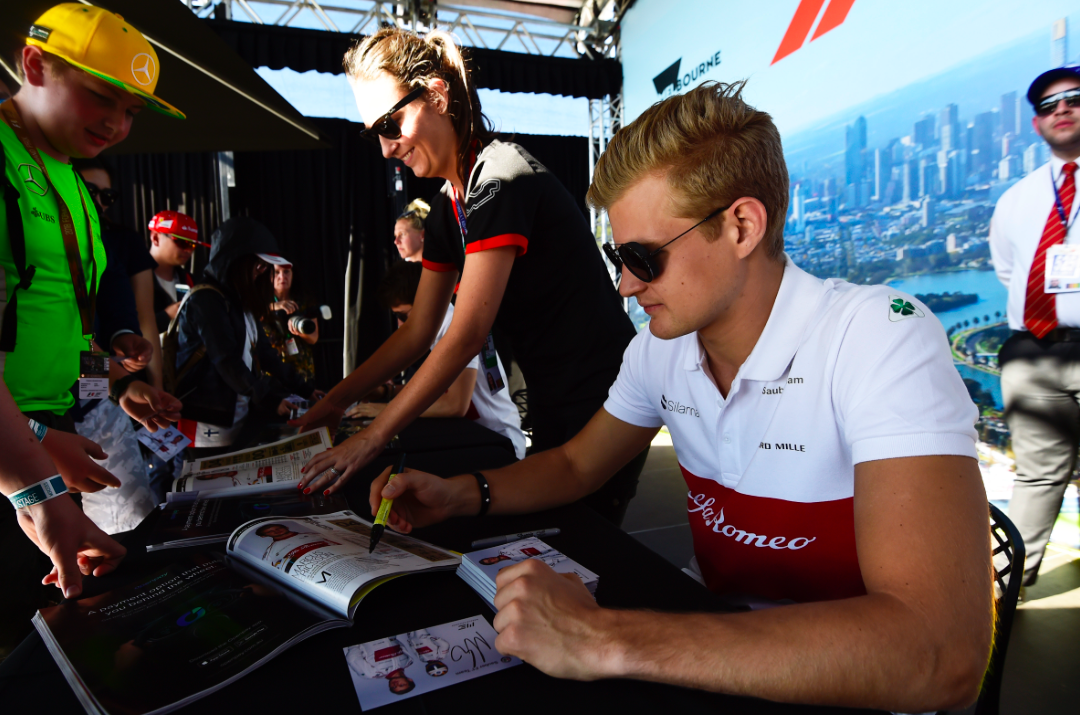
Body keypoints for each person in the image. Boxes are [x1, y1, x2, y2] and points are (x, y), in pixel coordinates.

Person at [362, 82, 993, 713]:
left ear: (741, 225)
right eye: (617, 256)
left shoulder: (880, 336)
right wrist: (460, 494)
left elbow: (940, 653)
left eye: (643, 257)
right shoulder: (661, 350)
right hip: (716, 638)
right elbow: (579, 464)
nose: (627, 286)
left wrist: (605, 637)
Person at [297, 29, 641, 524]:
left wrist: (372, 439)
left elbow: (465, 336)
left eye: (391, 124)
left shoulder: (500, 177)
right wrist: (335, 403)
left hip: (601, 397)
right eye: (374, 132)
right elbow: (419, 330)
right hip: (547, 401)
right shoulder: (445, 209)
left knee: (583, 544)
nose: (386, 149)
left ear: (437, 95)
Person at [1, 3, 182, 648]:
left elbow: (62, 331)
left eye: (132, 111)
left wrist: (117, 376)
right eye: (102, 97)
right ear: (33, 65)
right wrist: (36, 461)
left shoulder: (70, 179)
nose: (117, 123)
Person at [989, 65, 1080, 588]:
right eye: (1049, 105)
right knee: (1037, 476)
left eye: (1073, 98)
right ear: (1036, 123)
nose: (1061, 109)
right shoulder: (1018, 200)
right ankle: (1005, 596)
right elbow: (1009, 271)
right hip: (1034, 352)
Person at [347, 262, 526, 459]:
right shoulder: (448, 322)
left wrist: (385, 410)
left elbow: (455, 404)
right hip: (478, 436)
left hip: (500, 443)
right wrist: (387, 392)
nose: (400, 325)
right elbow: (434, 390)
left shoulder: (454, 326)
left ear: (426, 300)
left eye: (403, 316)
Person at [174, 217, 316, 455]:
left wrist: (305, 389)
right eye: (258, 265)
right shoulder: (207, 300)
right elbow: (226, 360)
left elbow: (265, 353)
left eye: (264, 267)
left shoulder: (239, 301)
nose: (261, 272)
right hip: (207, 423)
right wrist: (270, 399)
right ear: (235, 262)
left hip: (237, 417)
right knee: (207, 485)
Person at [264, 259, 318, 384]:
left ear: (293, 274)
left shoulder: (304, 301)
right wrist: (274, 306)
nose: (282, 276)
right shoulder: (261, 301)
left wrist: (298, 329)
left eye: (286, 272)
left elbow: (314, 338)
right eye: (276, 272)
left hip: (300, 369)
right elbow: (253, 314)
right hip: (270, 370)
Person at [148, 210, 203, 334]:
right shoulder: (133, 279)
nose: (188, 250)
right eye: (182, 243)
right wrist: (166, 316)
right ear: (155, 237)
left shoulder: (191, 280)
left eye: (192, 245)